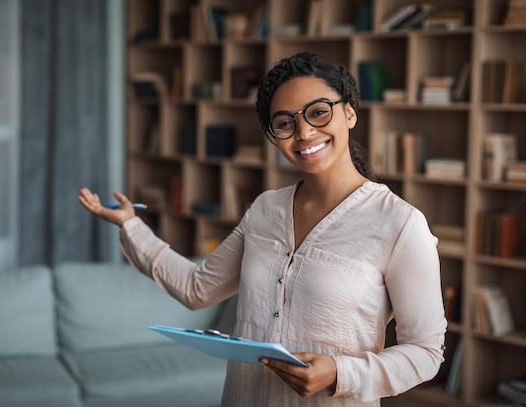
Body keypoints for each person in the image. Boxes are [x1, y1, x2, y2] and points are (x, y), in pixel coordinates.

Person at [78, 51, 446, 406]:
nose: (303, 132)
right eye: (285, 122)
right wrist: (130, 223)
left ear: (349, 113)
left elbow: (426, 352)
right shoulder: (265, 209)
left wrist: (340, 371)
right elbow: (197, 288)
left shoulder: (399, 224)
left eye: (319, 112)